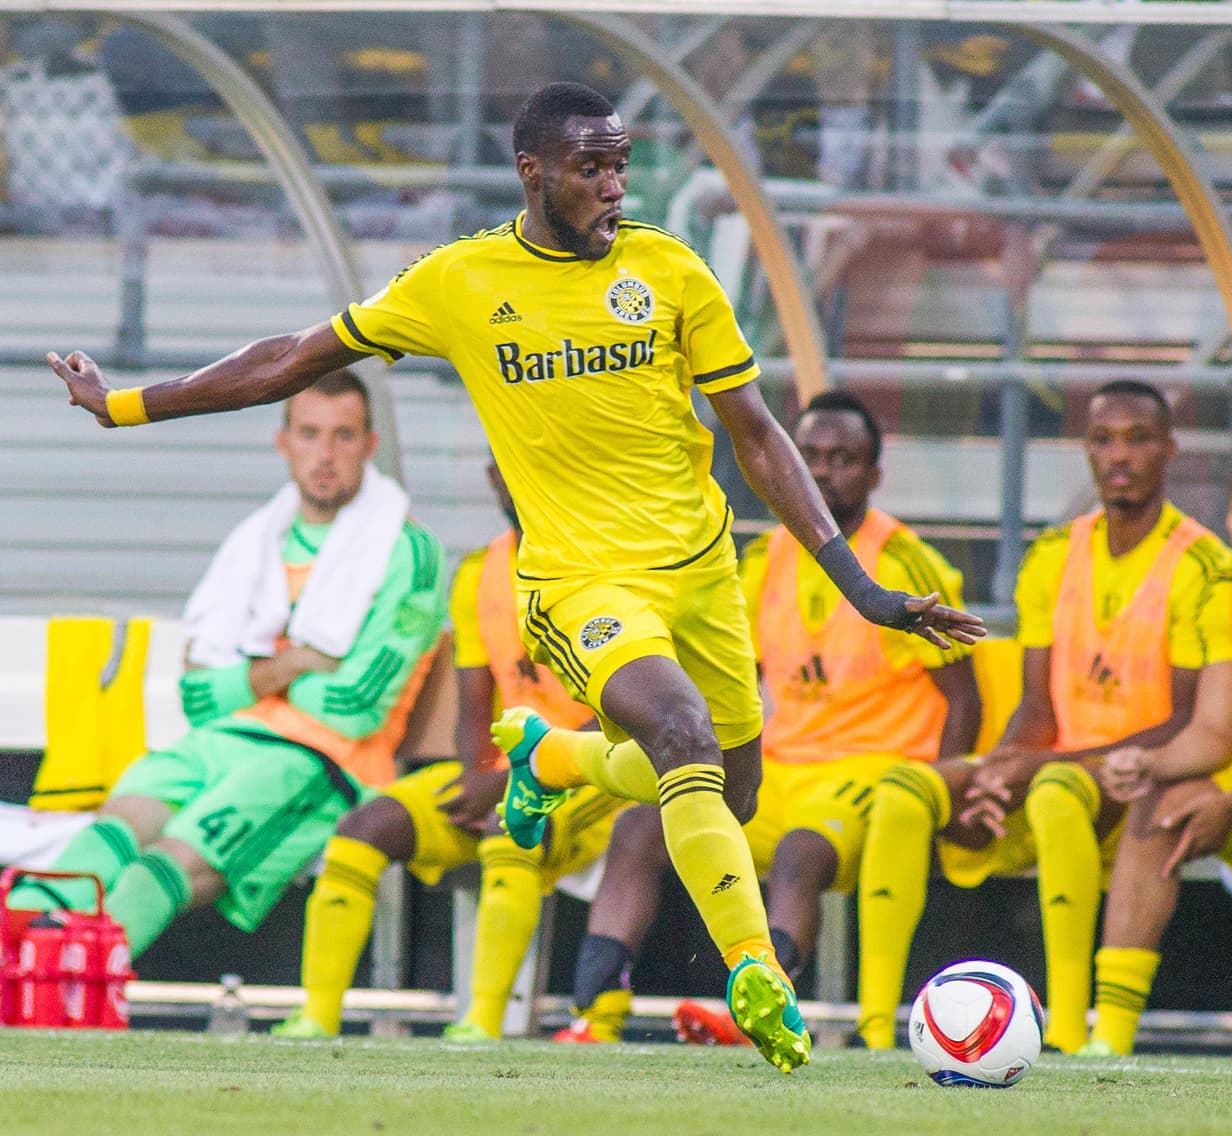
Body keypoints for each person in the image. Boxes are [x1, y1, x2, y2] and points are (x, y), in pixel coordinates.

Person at [46, 81, 983, 1072]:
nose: (613, 186)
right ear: (532, 173)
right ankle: (756, 974)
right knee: (679, 732)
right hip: (578, 582)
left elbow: (755, 434)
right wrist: (130, 404)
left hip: (700, 572)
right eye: (590, 168)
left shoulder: (669, 270)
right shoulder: (458, 281)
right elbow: (292, 356)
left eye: (620, 164)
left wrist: (856, 583)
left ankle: (558, 761)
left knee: (728, 789)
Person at [553, 389, 981, 1045]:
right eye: (810, 455)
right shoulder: (759, 561)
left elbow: (964, 697)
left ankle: (759, 1004)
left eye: (844, 457)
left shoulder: (902, 558)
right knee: (645, 823)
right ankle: (597, 1017)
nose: (825, 469)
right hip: (780, 768)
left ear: (873, 472)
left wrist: (940, 794)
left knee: (799, 853)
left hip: (868, 775)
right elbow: (727, 684)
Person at [9, 371, 447, 959]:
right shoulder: (255, 543)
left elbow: (355, 709)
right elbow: (196, 696)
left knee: (159, 867)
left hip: (322, 760)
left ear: (369, 447)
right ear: (283, 442)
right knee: (108, 834)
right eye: (310, 434)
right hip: (218, 740)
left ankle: (66, 990)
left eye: (343, 437)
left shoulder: (406, 550)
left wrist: (251, 677)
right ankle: (18, 969)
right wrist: (294, 664)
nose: (325, 455)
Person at [856, 380, 1228, 1053]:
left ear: (1169, 450)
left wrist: (1039, 767)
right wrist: (999, 770)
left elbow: (1184, 721)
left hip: (1134, 774)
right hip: (1053, 764)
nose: (1120, 456)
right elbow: (1036, 706)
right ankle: (872, 1031)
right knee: (903, 792)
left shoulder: (1203, 563)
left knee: (1055, 792)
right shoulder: (1053, 554)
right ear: (1085, 449)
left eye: (1139, 439)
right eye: (1104, 439)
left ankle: (1066, 1032)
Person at [274, 460, 624, 1040]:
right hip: (508, 771)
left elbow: (619, 712)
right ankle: (316, 1018)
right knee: (365, 825)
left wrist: (515, 781)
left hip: (593, 775)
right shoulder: (478, 574)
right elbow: (473, 704)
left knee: (511, 828)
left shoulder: (609, 565)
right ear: (493, 476)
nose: (525, 476)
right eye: (513, 464)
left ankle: (483, 1025)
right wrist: (479, 776)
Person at [1083, 446, 1232, 1056]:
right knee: (1165, 804)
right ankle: (1107, 1039)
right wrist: (1147, 765)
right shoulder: (1225, 590)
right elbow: (1215, 734)